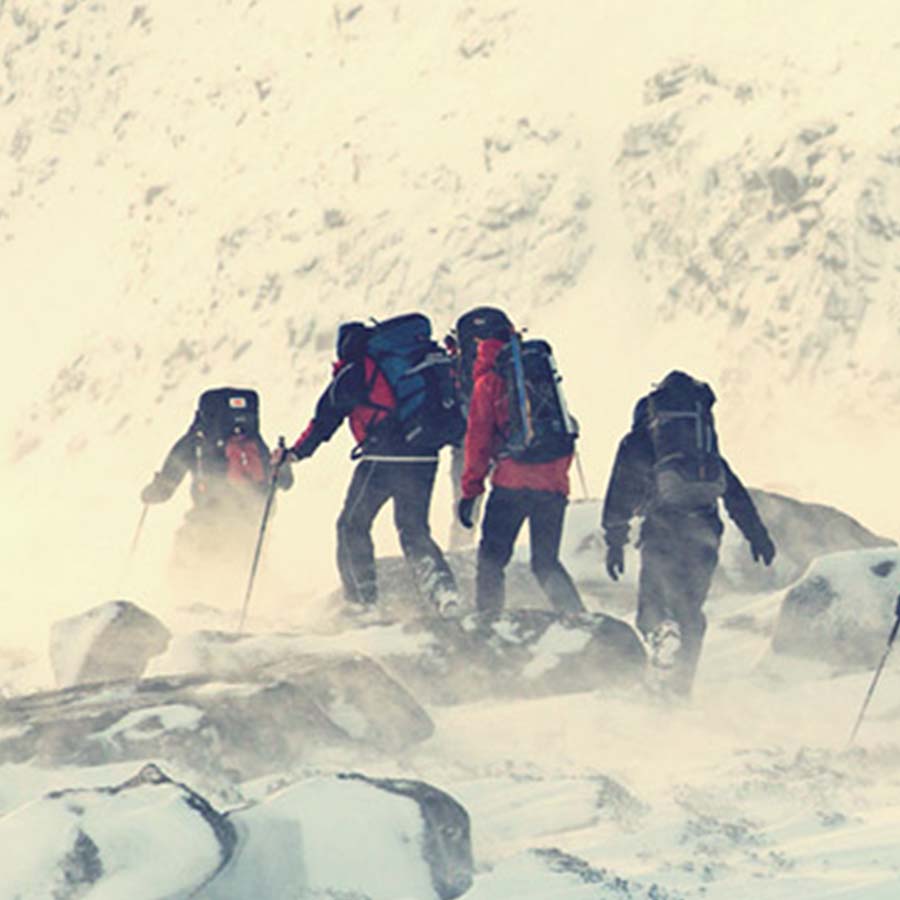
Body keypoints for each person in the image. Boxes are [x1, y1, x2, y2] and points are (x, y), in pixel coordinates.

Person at [601, 370, 776, 696]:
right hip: (705, 532)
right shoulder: (703, 443)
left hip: (662, 530)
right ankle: (681, 688)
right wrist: (758, 535)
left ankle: (658, 672)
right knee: (690, 612)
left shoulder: (641, 438)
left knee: (652, 611)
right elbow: (733, 490)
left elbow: (620, 490)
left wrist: (615, 540)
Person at [280, 319, 461, 617]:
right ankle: (443, 592)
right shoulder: (403, 362)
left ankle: (362, 602)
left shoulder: (356, 371)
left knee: (352, 524)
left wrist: (295, 454)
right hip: (424, 456)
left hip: (383, 459)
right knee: (414, 529)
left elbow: (324, 420)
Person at [457, 321, 586, 617]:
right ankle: (579, 618)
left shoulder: (489, 380)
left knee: (492, 559)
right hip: (553, 485)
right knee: (546, 562)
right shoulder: (539, 368)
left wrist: (470, 492)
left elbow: (477, 442)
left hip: (512, 484)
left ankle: (488, 623)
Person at [141, 386, 293, 596]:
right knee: (246, 567)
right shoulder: (254, 440)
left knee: (188, 562)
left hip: (208, 518)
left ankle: (185, 602)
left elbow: (166, 486)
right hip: (253, 519)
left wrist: (151, 494)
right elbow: (284, 482)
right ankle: (257, 603)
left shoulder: (195, 441)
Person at [445, 306, 514, 549]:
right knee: (509, 502)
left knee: (466, 503)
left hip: (468, 440)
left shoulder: (465, 367)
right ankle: (504, 550)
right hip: (512, 440)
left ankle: (462, 549)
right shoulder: (516, 360)